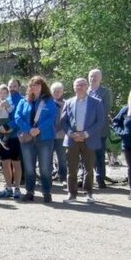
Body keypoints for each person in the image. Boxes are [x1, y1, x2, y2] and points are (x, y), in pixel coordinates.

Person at [14, 75, 58, 203]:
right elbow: (17, 117)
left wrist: (39, 129)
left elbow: (52, 117)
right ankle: (30, 191)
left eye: (37, 84)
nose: (34, 87)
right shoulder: (24, 101)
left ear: (42, 86)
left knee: (45, 167)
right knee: (29, 167)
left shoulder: (49, 100)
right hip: (28, 139)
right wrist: (29, 129)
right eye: (32, 85)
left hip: (45, 138)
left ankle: (46, 192)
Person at [60, 77, 104, 203]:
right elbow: (63, 121)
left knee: (89, 168)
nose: (79, 87)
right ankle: (72, 193)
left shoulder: (96, 102)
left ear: (87, 87)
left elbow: (100, 121)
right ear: (74, 87)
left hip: (89, 139)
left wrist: (85, 134)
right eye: (77, 85)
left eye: (82, 85)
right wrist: (71, 133)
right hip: (72, 139)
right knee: (71, 168)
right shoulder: (68, 102)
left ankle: (88, 192)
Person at [87, 69, 114, 187]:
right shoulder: (84, 91)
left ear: (100, 78)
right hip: (85, 130)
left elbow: (105, 110)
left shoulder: (105, 92)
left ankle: (100, 178)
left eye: (96, 76)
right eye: (91, 76)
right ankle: (87, 178)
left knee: (99, 155)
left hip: (100, 129)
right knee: (87, 155)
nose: (93, 78)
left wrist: (93, 125)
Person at [50, 81, 68, 183]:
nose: (56, 93)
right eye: (54, 91)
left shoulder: (66, 104)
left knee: (62, 158)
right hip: (49, 135)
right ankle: (48, 177)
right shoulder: (48, 103)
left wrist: (63, 131)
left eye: (59, 91)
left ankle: (63, 178)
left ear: (62, 92)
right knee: (48, 158)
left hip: (61, 135)